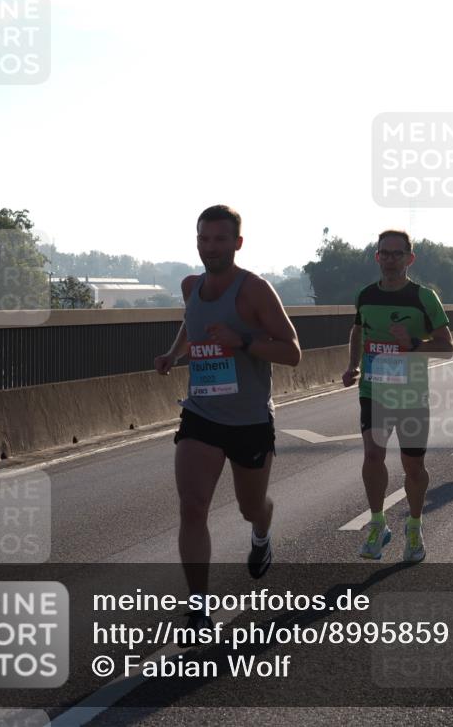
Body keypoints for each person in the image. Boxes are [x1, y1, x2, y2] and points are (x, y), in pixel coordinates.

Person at [155, 205, 301, 641]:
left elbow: (292, 351)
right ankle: (198, 610)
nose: (210, 247)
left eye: (220, 240)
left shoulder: (254, 290)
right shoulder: (190, 285)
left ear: (237, 243)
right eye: (204, 239)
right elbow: (190, 324)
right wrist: (175, 354)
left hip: (250, 420)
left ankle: (261, 530)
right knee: (192, 505)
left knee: (249, 506)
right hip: (201, 412)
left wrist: (242, 341)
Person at [342, 230, 453, 563]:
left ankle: (415, 526)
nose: (391, 259)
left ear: (410, 258)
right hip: (373, 390)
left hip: (411, 395)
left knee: (413, 466)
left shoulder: (424, 298)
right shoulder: (365, 295)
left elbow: (448, 348)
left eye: (397, 253)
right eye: (384, 253)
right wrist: (352, 366)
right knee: (373, 455)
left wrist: (414, 344)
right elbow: (358, 330)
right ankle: (378, 525)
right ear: (377, 257)